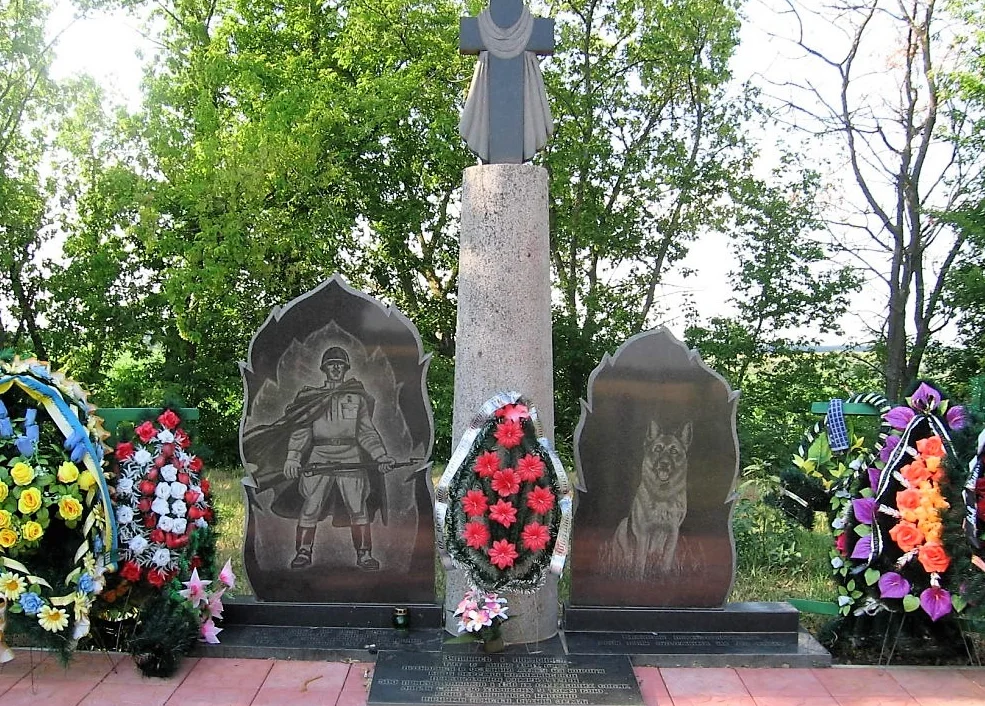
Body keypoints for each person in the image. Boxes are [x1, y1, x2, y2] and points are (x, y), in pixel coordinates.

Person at [278, 346, 394, 570]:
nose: (335, 369)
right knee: (311, 505)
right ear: (324, 368)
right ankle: (303, 552)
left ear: (345, 368)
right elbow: (302, 430)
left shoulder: (356, 398)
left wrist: (380, 455)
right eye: (331, 365)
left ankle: (364, 554)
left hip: (350, 456)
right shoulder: (312, 398)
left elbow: (366, 431)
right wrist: (293, 457)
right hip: (319, 455)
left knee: (357, 506)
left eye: (339, 365)